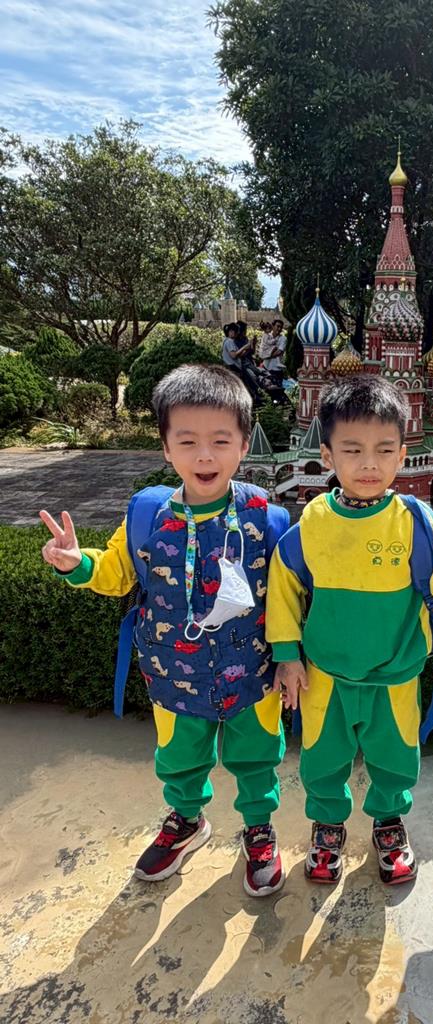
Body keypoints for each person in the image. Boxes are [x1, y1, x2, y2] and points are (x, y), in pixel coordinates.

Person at [39, 364, 290, 897]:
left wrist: (293, 657)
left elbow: (291, 598)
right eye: (188, 441)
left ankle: (258, 827)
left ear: (244, 444)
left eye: (220, 441)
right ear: (166, 447)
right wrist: (76, 564)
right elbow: (116, 572)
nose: (205, 456)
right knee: (179, 758)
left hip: (253, 675)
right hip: (173, 675)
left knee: (257, 757)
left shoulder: (267, 518)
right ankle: (186, 820)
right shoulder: (149, 514)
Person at [265, 375, 433, 885]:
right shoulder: (313, 522)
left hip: (396, 673)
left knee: (395, 758)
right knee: (322, 759)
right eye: (352, 450)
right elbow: (284, 586)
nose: (369, 464)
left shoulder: (414, 520)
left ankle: (389, 823)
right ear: (327, 455)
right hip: (325, 675)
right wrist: (287, 654)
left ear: (402, 455)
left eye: (383, 450)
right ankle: (327, 826)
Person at [260, 319, 287, 388]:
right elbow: (262, 349)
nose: (279, 329)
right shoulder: (266, 336)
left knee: (277, 389)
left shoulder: (283, 338)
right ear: (273, 326)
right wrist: (264, 354)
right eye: (278, 326)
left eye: (281, 327)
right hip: (265, 367)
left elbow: (279, 352)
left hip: (276, 369)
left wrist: (266, 355)